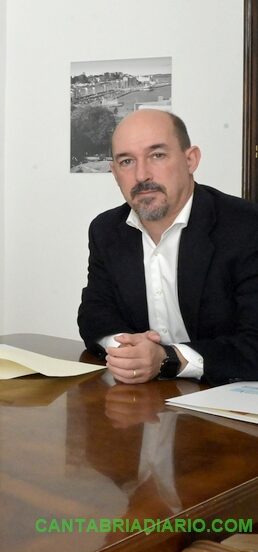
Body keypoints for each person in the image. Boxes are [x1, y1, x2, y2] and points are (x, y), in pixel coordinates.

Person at [77, 109, 258, 385]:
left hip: (229, 402)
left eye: (157, 155)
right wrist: (129, 351)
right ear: (114, 173)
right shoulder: (106, 230)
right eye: (127, 161)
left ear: (190, 160)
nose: (141, 174)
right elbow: (93, 316)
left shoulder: (246, 226)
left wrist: (168, 358)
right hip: (147, 401)